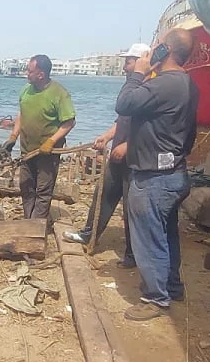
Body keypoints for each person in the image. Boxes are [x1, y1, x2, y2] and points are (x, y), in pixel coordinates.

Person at [115, 29, 199, 321]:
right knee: (166, 234)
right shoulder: (187, 84)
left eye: (156, 46)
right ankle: (172, 287)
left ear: (165, 50)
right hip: (173, 172)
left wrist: (138, 73)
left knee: (148, 239)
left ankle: (155, 298)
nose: (151, 51)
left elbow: (124, 104)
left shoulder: (163, 84)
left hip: (153, 178)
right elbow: (190, 134)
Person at [62, 43, 150, 268]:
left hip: (136, 158)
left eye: (128, 61)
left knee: (132, 206)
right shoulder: (132, 86)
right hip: (118, 155)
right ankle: (89, 234)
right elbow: (123, 120)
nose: (124, 66)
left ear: (140, 61)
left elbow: (151, 128)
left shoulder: (150, 87)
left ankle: (133, 253)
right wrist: (108, 137)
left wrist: (128, 146)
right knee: (103, 196)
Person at [0, 55, 75, 221]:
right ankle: (29, 221)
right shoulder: (26, 90)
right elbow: (21, 113)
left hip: (47, 153)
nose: (26, 73)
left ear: (41, 75)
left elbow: (69, 122)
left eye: (30, 71)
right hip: (27, 151)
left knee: (43, 191)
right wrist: (13, 137)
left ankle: (37, 225)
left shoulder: (59, 93)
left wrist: (51, 141)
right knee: (26, 187)